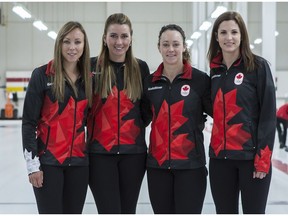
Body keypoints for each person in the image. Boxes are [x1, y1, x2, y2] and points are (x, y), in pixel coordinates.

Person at [207, 11, 276, 214]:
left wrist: (262, 160)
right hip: (220, 160)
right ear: (216, 37)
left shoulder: (258, 67)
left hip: (251, 159)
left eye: (234, 32)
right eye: (224, 32)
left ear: (242, 36)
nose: (229, 37)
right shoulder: (215, 72)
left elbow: (268, 115)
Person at [22, 21, 92, 214]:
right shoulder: (42, 75)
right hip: (48, 163)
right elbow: (28, 123)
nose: (72, 47)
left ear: (84, 46)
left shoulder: (90, 79)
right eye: (67, 41)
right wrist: (32, 166)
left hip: (79, 164)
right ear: (59, 44)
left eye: (77, 42)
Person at [142, 24, 212, 214]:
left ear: (183, 47)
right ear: (159, 47)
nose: (170, 49)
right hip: (158, 167)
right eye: (165, 44)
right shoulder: (149, 83)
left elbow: (219, 113)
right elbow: (140, 119)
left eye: (175, 44)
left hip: (191, 167)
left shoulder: (200, 80)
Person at [87, 13, 150, 214]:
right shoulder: (90, 67)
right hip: (99, 155)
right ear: (104, 38)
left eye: (124, 36)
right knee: (109, 210)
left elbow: (146, 110)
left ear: (131, 38)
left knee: (128, 210)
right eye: (113, 36)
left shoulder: (140, 68)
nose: (119, 42)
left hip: (134, 155)